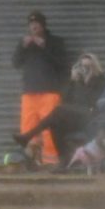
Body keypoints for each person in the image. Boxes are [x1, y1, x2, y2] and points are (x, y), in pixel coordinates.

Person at [13, 11, 72, 163]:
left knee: (49, 129)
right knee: (28, 128)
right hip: (29, 92)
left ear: (43, 26)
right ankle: (30, 161)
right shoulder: (25, 43)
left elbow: (62, 65)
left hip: (49, 92)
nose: (34, 27)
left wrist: (44, 47)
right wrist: (22, 47)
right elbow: (15, 63)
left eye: (37, 24)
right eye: (31, 25)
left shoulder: (55, 42)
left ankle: (52, 161)